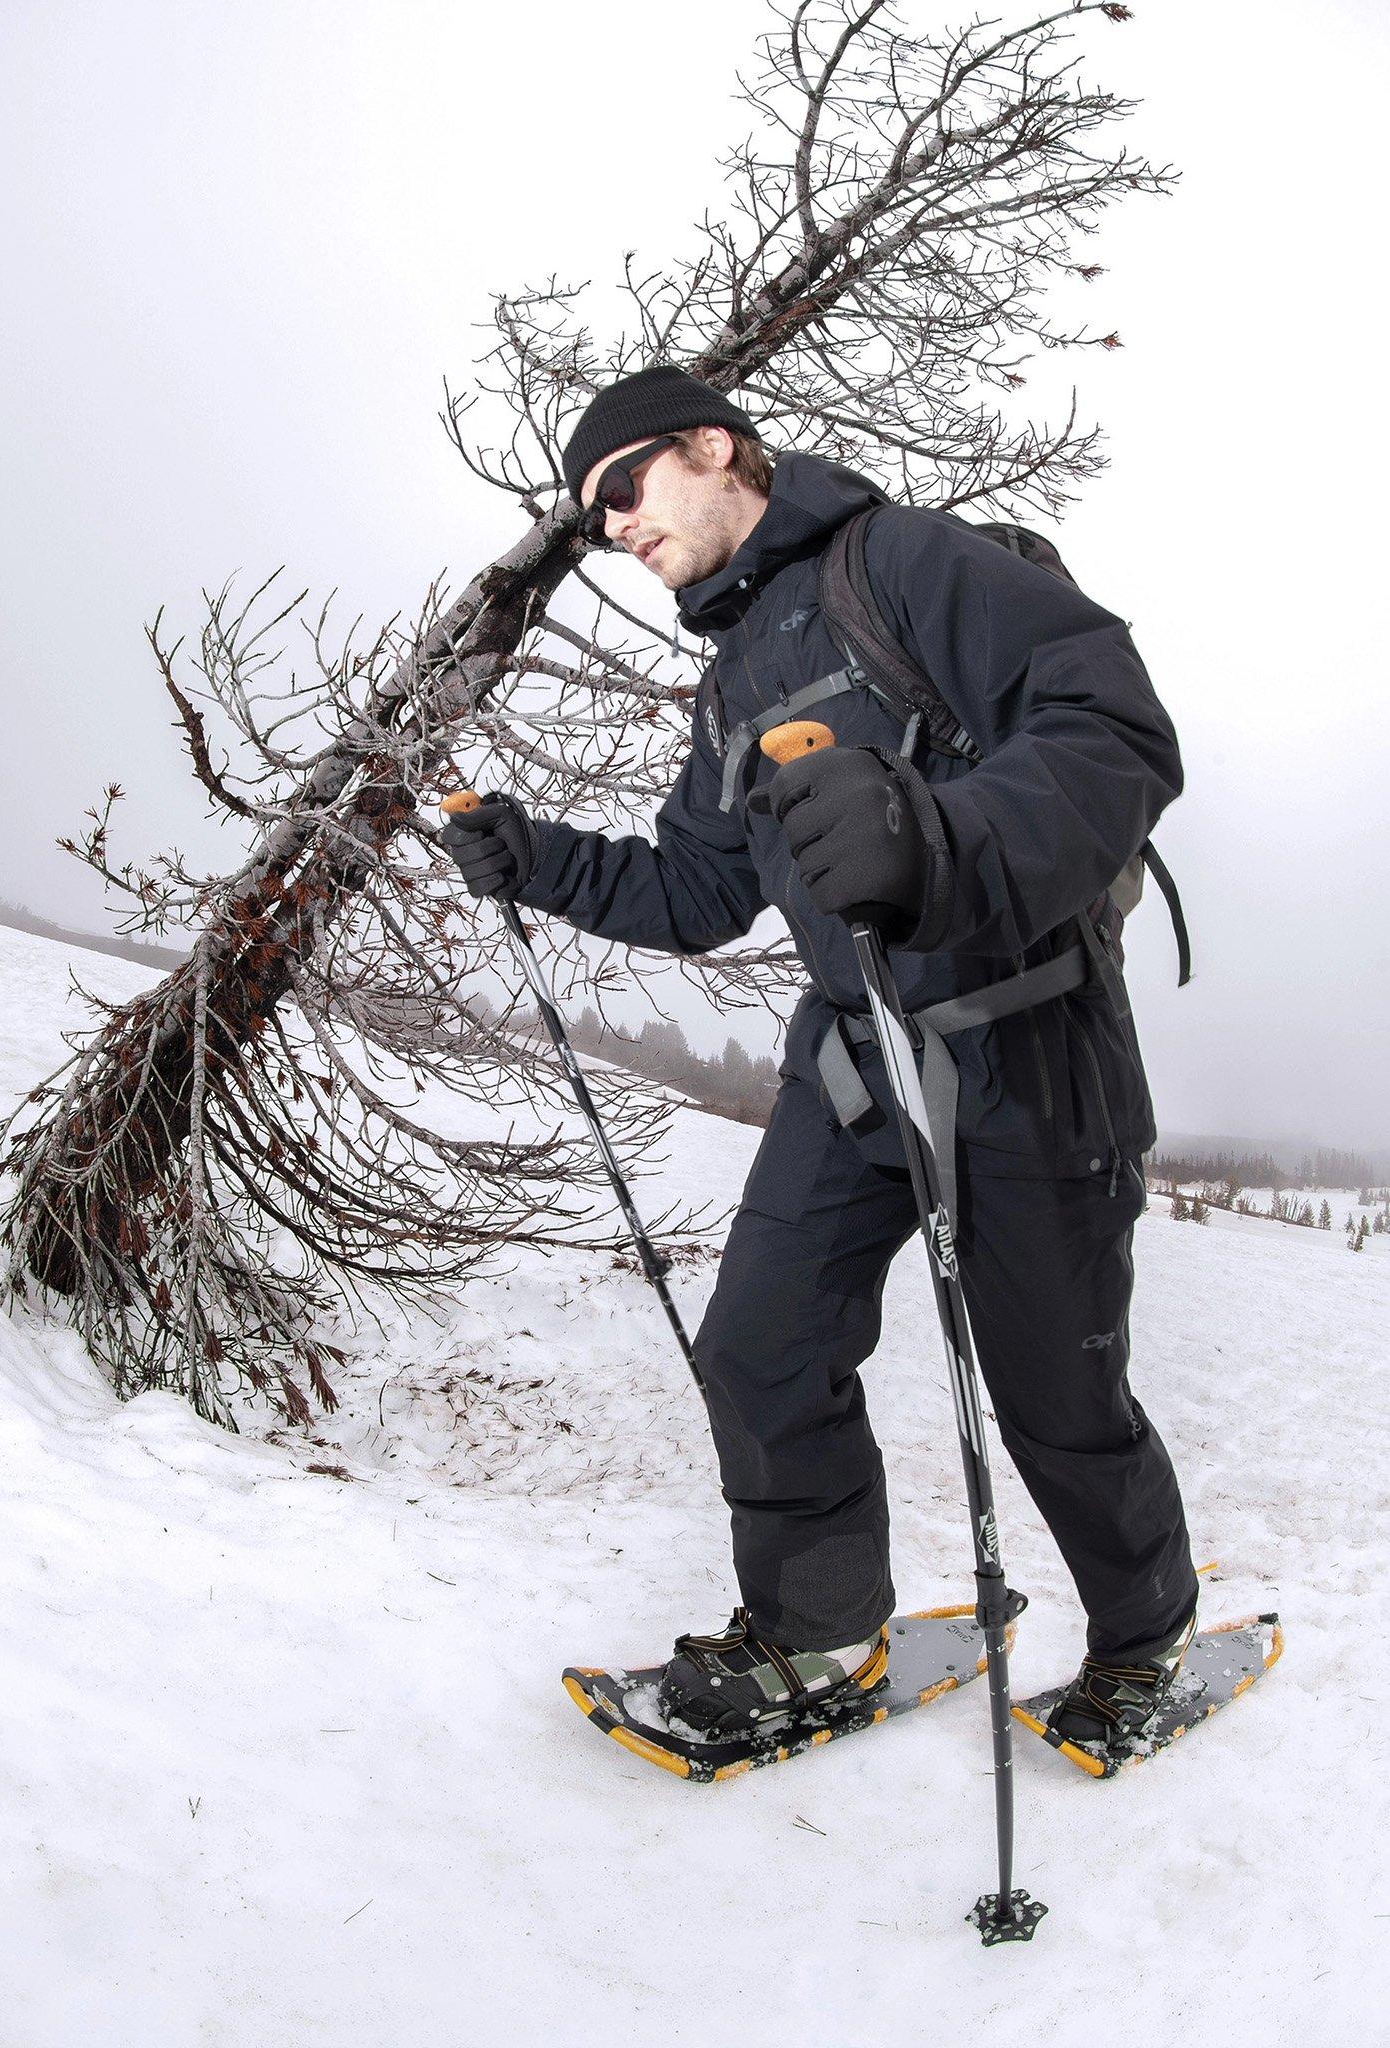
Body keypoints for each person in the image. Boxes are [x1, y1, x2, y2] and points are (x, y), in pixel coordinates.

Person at [441, 364, 1200, 1750]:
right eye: (590, 516)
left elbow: (1116, 728)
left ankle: (1145, 1636)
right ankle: (817, 1632)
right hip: (854, 1058)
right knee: (761, 1347)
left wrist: (944, 842)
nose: (612, 524)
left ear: (714, 447)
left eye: (626, 487)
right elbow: (694, 892)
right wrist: (532, 858)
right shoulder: (732, 686)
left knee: (1057, 1394)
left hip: (1029, 1043)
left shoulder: (904, 563)